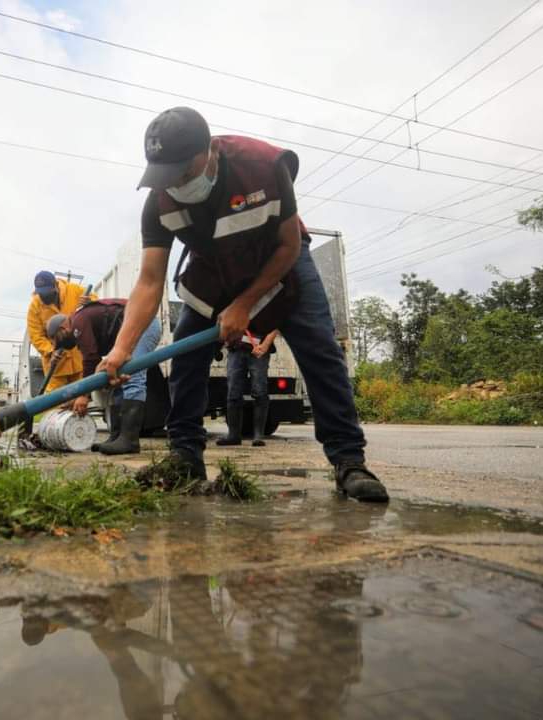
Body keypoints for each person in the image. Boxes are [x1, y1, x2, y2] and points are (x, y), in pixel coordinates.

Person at [99, 106, 388, 502]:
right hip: (214, 268)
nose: (177, 185)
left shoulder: (263, 167)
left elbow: (288, 246)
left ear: (213, 151)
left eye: (185, 172)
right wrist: (121, 348)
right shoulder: (159, 204)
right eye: (167, 177)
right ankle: (185, 455)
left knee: (320, 350)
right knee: (187, 359)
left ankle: (349, 460)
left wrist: (245, 304)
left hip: (280, 261)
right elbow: (149, 282)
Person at [45, 298, 162, 455]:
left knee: (133, 377)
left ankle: (130, 440)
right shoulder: (80, 323)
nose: (60, 346)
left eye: (57, 339)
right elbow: (94, 364)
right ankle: (116, 438)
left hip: (144, 325)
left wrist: (83, 395)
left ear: (63, 327)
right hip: (131, 331)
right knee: (115, 383)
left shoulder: (78, 322)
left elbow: (91, 359)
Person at [26, 271, 93, 393]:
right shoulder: (35, 306)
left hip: (80, 360)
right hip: (56, 366)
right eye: (41, 293)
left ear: (55, 286)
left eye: (47, 293)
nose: (44, 297)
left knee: (82, 400)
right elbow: (36, 336)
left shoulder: (74, 290)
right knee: (55, 405)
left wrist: (90, 303)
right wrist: (51, 351)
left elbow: (95, 301)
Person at [217, 329, 279, 448]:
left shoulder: (266, 310)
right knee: (233, 392)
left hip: (259, 349)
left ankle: (258, 436)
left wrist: (265, 345)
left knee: (260, 391)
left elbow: (276, 326)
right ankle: (233, 436)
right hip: (236, 349)